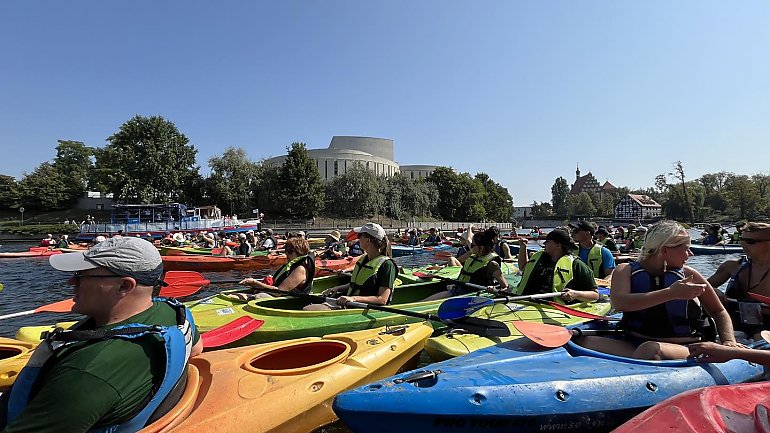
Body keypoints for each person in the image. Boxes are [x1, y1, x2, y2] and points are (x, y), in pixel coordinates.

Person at [0, 237, 202, 432]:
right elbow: (196, 349)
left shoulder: (87, 372)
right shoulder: (175, 313)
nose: (71, 281)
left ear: (124, 286)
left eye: (82, 275)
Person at [578, 220, 739, 360]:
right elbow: (620, 303)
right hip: (634, 343)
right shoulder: (624, 270)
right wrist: (671, 293)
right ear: (665, 250)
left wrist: (729, 341)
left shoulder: (690, 274)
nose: (690, 254)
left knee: (650, 349)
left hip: (686, 347)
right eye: (686, 249)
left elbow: (718, 311)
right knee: (583, 341)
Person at [304, 223, 395, 311]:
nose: (357, 239)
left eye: (360, 236)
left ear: (368, 240)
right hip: (350, 303)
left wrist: (353, 299)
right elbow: (355, 285)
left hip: (364, 307)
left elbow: (382, 299)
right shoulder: (364, 259)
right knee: (310, 303)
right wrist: (337, 288)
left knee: (308, 309)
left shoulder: (387, 265)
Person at [708, 222, 770, 338]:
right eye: (742, 239)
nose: (743, 244)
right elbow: (699, 288)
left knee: (759, 336)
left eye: (750, 242)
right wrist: (713, 292)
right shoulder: (731, 266)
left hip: (765, 329)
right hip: (732, 325)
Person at [515, 229, 600, 303]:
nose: (544, 244)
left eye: (547, 242)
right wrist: (523, 247)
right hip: (528, 302)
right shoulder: (540, 258)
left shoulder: (577, 264)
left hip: (555, 308)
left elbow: (595, 295)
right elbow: (522, 267)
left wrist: (575, 294)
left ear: (558, 245)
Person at [423, 231, 509, 301]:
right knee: (424, 302)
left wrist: (494, 289)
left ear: (481, 248)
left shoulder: (492, 264)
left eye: (472, 245)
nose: (470, 247)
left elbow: (505, 287)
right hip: (458, 291)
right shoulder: (472, 256)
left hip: (472, 296)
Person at [233, 237, 315, 300]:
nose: (286, 253)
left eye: (290, 251)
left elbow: (279, 292)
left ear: (299, 252)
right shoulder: (294, 266)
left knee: (256, 296)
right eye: (286, 250)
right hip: (280, 296)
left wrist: (255, 283)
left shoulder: (300, 269)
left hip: (288, 300)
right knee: (236, 295)